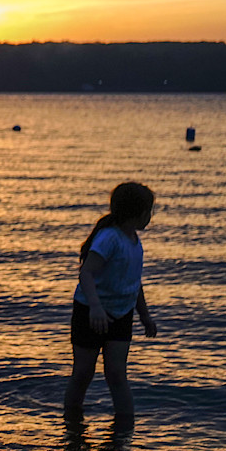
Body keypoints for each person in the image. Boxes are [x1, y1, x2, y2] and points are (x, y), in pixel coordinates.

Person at [63, 181, 158, 425]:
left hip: (121, 315)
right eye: (149, 210)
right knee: (83, 373)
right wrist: (95, 306)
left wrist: (145, 316)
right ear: (135, 213)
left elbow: (134, 283)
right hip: (90, 312)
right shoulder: (109, 238)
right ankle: (72, 422)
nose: (151, 216)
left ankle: (125, 428)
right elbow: (86, 273)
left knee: (117, 374)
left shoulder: (134, 241)